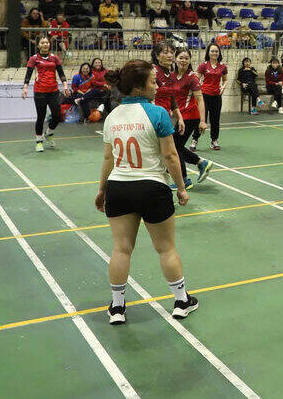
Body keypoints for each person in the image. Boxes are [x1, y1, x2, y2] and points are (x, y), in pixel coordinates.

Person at [95, 60, 197, 325]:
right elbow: (171, 155)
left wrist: (102, 190)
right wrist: (182, 188)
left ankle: (117, 308)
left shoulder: (112, 116)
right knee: (166, 248)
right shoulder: (158, 113)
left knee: (121, 249)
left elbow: (108, 159)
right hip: (152, 187)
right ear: (139, 87)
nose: (157, 85)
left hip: (118, 187)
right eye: (153, 82)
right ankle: (181, 301)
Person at [22, 36, 70, 152]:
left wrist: (65, 86)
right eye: (42, 43)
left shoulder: (55, 58)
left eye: (47, 42)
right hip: (40, 91)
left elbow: (61, 73)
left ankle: (48, 133)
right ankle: (39, 142)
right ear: (38, 45)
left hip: (53, 91)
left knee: (57, 116)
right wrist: (25, 88)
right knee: (41, 117)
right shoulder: (34, 58)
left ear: (49, 44)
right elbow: (28, 74)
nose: (45, 44)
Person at [172, 47, 212, 185]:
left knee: (175, 147)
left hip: (190, 116)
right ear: (175, 59)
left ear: (190, 61)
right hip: (181, 116)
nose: (183, 61)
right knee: (176, 146)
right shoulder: (172, 76)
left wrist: (202, 121)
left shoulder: (192, 77)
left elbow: (200, 100)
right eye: (181, 57)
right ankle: (200, 162)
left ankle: (184, 180)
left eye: (186, 58)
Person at [195, 43, 228, 151]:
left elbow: (225, 80)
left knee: (215, 119)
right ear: (208, 53)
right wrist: (198, 91)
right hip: (204, 96)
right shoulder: (203, 65)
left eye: (216, 51)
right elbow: (196, 80)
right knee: (201, 119)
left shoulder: (222, 66)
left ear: (219, 53)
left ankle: (214, 140)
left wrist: (223, 87)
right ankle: (195, 140)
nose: (214, 53)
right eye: (212, 51)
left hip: (216, 97)